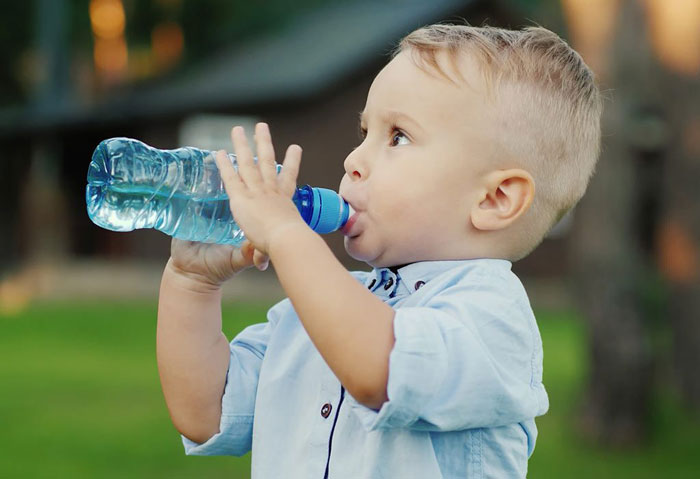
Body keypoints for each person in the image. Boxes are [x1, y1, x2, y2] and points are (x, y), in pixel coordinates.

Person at [156, 23, 602, 478]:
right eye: (364, 131)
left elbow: (378, 370)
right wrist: (191, 283)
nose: (353, 160)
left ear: (494, 200)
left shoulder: (491, 319)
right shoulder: (314, 313)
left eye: (398, 137)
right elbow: (205, 413)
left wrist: (288, 235)